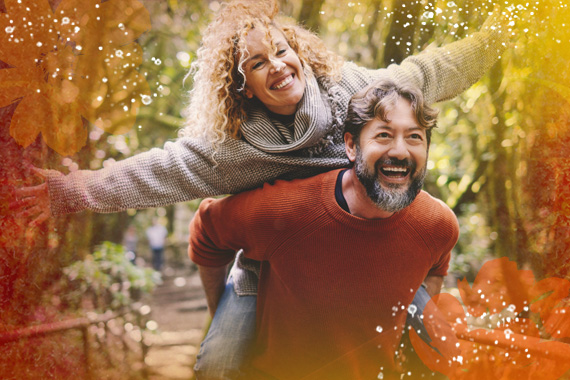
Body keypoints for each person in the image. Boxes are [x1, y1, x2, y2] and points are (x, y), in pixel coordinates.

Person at [12, 0, 511, 375]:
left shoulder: (353, 91)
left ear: (299, 51)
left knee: (446, 348)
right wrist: (70, 191)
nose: (277, 64)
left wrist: (500, 36)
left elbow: (428, 72)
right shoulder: (231, 149)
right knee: (218, 365)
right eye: (256, 63)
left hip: (370, 242)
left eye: (281, 49)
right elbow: (157, 170)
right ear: (243, 86)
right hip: (271, 258)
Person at [189, 78, 460, 379]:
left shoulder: (438, 224)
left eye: (414, 137)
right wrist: (219, 313)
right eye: (383, 135)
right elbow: (207, 230)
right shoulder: (286, 211)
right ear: (351, 146)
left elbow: (437, 265)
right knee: (214, 367)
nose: (399, 151)